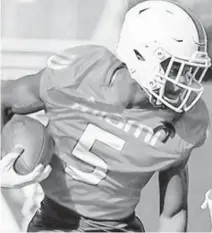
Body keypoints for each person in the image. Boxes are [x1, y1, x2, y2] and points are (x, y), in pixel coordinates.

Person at [1, 0, 211, 232]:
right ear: (140, 56)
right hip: (54, 221)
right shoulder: (81, 74)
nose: (184, 82)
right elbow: (4, 98)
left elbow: (173, 213)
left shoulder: (184, 121)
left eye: (189, 71)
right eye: (174, 69)